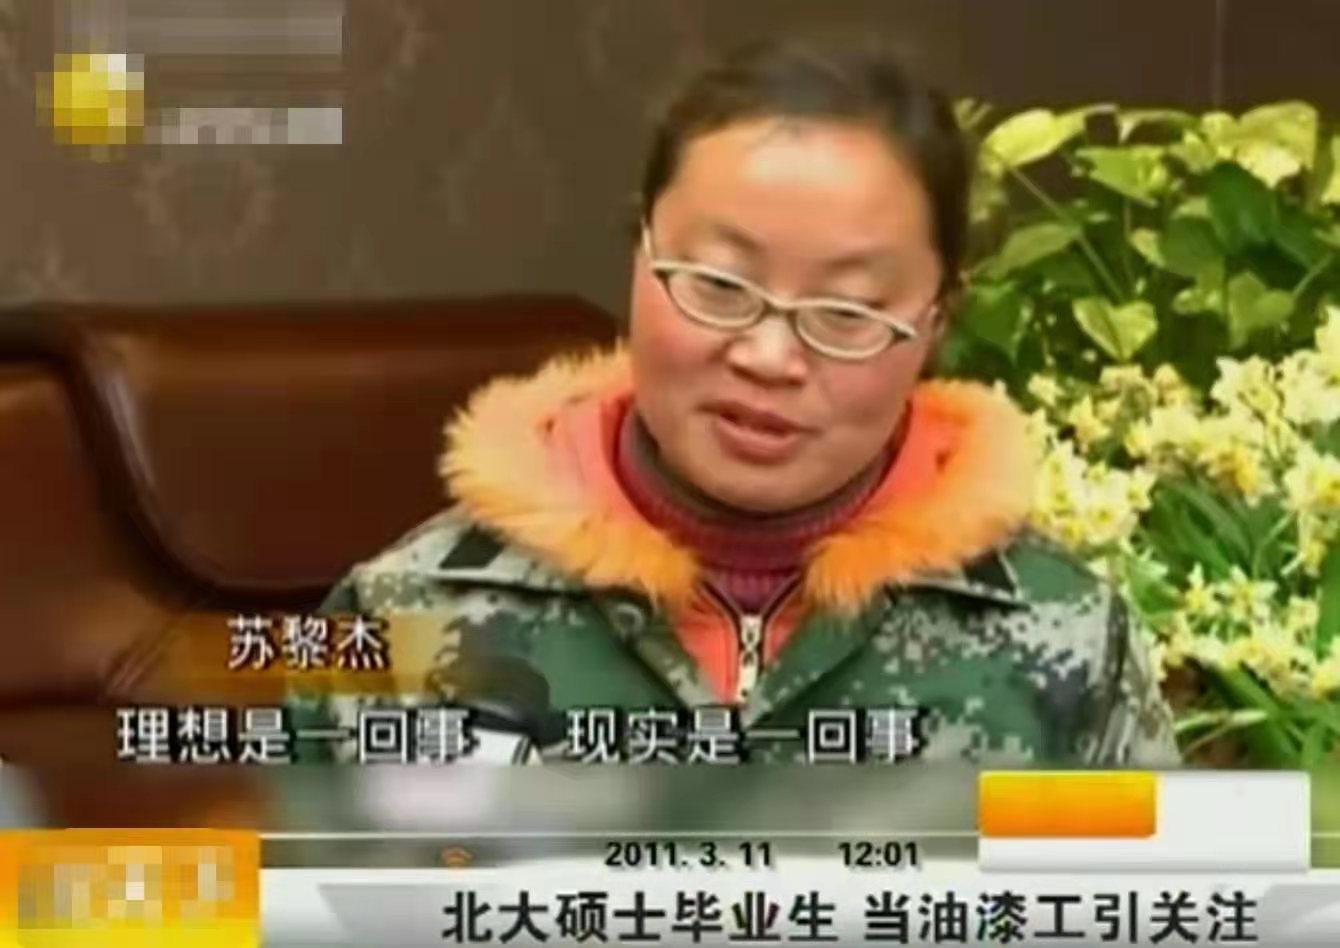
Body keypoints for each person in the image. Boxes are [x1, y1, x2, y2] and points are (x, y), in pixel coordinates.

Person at [295, 35, 1181, 767]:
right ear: (639, 256)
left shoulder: (1064, 645)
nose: (768, 357)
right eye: (719, 285)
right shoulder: (403, 616)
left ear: (936, 321)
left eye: (846, 312)